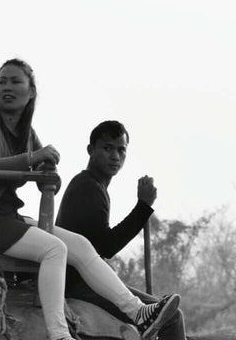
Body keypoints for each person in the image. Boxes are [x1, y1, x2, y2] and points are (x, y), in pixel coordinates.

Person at [0, 58, 178, 340]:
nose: (7, 87)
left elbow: (45, 184)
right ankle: (58, 338)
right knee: (54, 249)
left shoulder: (24, 130)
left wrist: (49, 169)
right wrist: (33, 158)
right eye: (2, 81)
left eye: (15, 82)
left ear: (31, 91)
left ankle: (137, 311)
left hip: (9, 217)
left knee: (82, 245)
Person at [55, 120, 161, 314]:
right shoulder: (88, 187)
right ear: (91, 150)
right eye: (107, 148)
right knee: (169, 315)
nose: (115, 157)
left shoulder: (94, 185)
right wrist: (143, 207)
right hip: (79, 283)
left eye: (121, 150)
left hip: (84, 278)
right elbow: (107, 246)